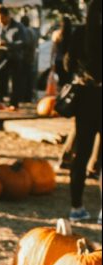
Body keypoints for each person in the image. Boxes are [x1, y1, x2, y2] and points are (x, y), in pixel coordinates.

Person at [65, 0, 102, 222]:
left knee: (82, 155)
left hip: (86, 98)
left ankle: (76, 207)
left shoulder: (80, 33)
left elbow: (67, 64)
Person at [19, 14, 39, 102]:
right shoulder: (33, 31)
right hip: (31, 57)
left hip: (25, 58)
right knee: (29, 78)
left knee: (23, 79)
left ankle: (25, 97)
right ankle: (28, 96)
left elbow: (26, 45)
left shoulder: (25, 31)